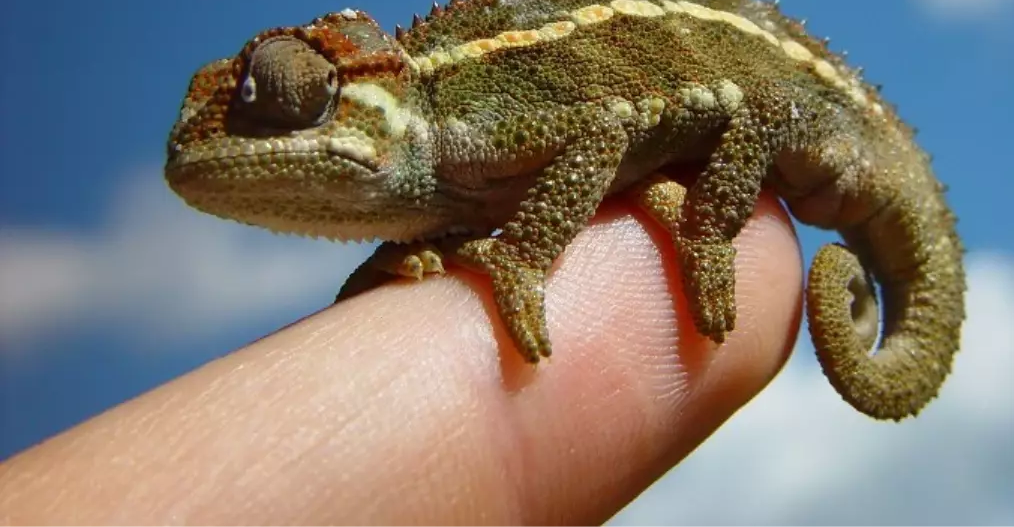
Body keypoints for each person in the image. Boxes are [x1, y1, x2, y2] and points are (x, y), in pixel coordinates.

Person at [0, 195, 803, 525]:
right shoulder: (444, 185)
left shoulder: (471, 110)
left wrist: (525, 256)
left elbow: (599, 131)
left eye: (284, 96)